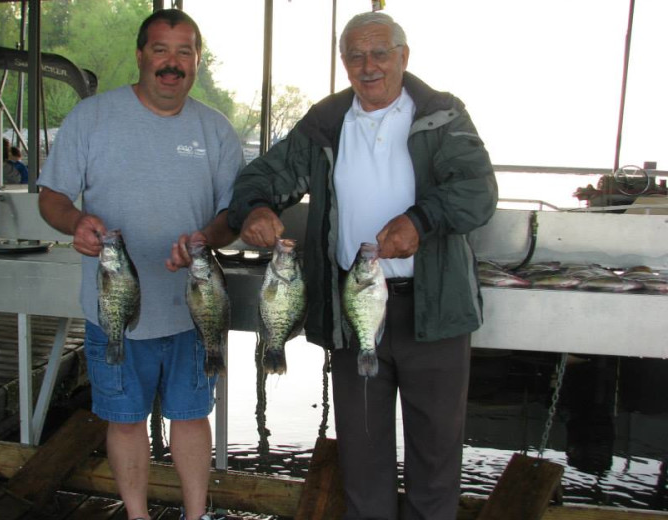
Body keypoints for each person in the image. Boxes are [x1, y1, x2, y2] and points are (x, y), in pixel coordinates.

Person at [226, 12, 497, 520]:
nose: (368, 66)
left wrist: (421, 220)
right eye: (355, 55)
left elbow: (478, 192)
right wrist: (257, 208)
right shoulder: (324, 123)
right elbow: (261, 175)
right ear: (343, 62)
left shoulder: (443, 116)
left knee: (436, 459)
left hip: (433, 312)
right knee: (362, 455)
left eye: (380, 53)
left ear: (403, 56)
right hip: (353, 314)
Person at [37, 9, 242, 520]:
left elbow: (232, 216)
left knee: (192, 416)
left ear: (197, 60)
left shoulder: (215, 130)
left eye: (184, 52)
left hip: (194, 309)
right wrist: (76, 221)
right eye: (160, 50)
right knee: (124, 419)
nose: (172, 64)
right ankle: (137, 515)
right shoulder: (92, 117)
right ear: (140, 55)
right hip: (113, 310)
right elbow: (52, 196)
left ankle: (197, 515)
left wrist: (207, 236)